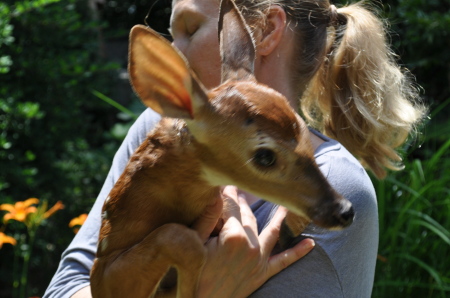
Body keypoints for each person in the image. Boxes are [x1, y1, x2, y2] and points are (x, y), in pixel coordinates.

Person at [44, 0, 426, 297]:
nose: (175, 51)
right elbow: (65, 286)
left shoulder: (338, 183)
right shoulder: (162, 132)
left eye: (190, 29)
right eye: (170, 34)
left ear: (264, 31)